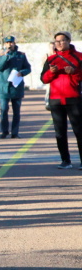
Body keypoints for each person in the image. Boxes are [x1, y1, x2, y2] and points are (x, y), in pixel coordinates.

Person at [41, 31, 82, 169]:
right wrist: (51, 72)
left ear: (69, 41)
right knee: (60, 132)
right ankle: (65, 160)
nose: (59, 43)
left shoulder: (79, 57)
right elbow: (44, 79)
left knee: (79, 131)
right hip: (56, 100)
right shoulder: (51, 59)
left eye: (62, 40)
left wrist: (74, 72)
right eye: (56, 41)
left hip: (74, 99)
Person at [0, 36, 31, 139]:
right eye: (7, 43)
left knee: (16, 111)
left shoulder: (21, 55)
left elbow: (28, 68)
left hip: (16, 87)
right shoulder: (0, 56)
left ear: (14, 43)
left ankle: (15, 133)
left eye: (11, 42)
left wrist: (22, 73)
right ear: (5, 44)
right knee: (4, 109)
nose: (10, 44)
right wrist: (5, 56)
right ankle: (4, 131)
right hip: (3, 87)